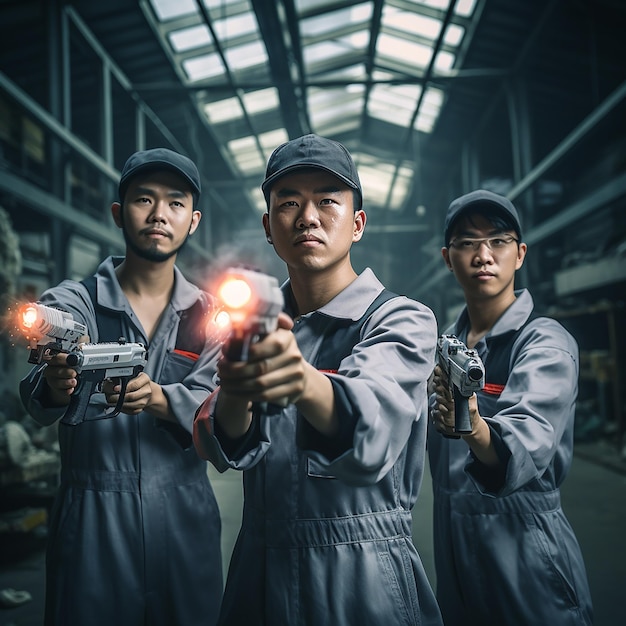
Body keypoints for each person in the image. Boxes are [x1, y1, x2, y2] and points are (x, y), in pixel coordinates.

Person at [193, 134, 443, 625]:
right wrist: (239, 392)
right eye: (289, 203)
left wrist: (301, 381)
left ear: (357, 224)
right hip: (260, 571)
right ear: (269, 226)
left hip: (363, 574)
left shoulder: (403, 320)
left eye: (327, 201)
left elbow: (372, 426)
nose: (307, 217)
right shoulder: (257, 323)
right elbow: (221, 446)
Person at [19, 148, 223, 626]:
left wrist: (159, 397)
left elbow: (220, 403)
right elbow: (38, 394)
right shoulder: (75, 300)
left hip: (184, 515)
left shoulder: (212, 315)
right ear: (118, 213)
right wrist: (56, 381)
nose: (158, 215)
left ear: (193, 221)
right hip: (93, 516)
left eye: (175, 203)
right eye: (143, 199)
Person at [428, 189, 593, 625]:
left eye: (498, 241)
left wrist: (471, 420)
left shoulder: (543, 343)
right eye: (467, 242)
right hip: (454, 550)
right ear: (448, 257)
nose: (484, 255)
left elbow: (527, 442)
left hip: (527, 552)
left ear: (519, 254)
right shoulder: (443, 346)